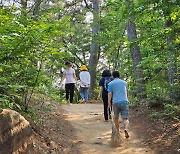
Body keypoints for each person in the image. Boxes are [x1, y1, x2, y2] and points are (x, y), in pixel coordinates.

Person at [107, 71, 129, 138]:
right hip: (124, 101)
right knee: (125, 118)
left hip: (115, 102)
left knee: (116, 118)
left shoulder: (111, 84)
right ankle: (126, 129)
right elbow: (126, 92)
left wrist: (109, 102)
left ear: (112, 76)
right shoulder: (124, 83)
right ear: (119, 75)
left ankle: (118, 131)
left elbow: (110, 93)